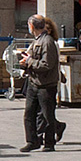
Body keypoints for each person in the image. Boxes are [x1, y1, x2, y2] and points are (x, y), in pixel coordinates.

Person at [17, 14, 63, 153]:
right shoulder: (36, 41)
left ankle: (49, 143)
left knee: (47, 115)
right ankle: (32, 141)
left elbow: (46, 64)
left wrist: (29, 62)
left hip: (46, 85)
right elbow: (31, 58)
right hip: (33, 83)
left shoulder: (47, 42)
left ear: (32, 26)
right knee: (29, 114)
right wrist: (24, 63)